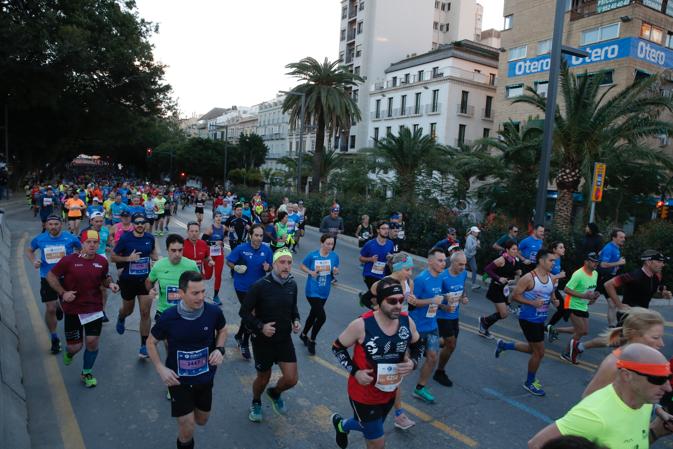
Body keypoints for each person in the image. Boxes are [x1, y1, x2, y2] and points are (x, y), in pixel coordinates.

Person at [330, 277, 423, 449]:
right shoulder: (361, 325)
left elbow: (418, 345)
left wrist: (413, 363)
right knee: (377, 442)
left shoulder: (406, 321)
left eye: (401, 300)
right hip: (363, 394)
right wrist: (356, 372)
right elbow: (337, 347)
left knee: (372, 426)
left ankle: (342, 425)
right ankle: (346, 426)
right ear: (379, 302)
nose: (398, 305)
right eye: (392, 301)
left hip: (390, 391)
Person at [527, 343, 673, 449]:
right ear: (627, 375)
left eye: (668, 378)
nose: (668, 387)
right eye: (658, 380)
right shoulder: (594, 415)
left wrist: (656, 432)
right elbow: (536, 445)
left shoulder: (644, 401)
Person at [147, 271, 227, 449]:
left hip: (205, 378)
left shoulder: (213, 311)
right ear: (181, 293)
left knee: (201, 420)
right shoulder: (169, 317)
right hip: (178, 380)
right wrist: (161, 368)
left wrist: (220, 349)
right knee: (187, 426)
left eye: (202, 292)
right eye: (195, 293)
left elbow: (222, 330)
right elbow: (151, 342)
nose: (200, 297)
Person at [46, 230, 119, 387]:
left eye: (95, 242)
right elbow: (50, 276)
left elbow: (104, 278)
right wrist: (63, 293)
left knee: (92, 342)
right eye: (88, 242)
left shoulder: (102, 261)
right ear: (82, 244)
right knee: (75, 346)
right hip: (73, 309)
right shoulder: (68, 261)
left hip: (94, 307)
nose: (92, 245)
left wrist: (110, 283)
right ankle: (69, 352)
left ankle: (86, 372)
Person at [239, 248, 300, 423]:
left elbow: (293, 307)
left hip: (283, 339)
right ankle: (256, 401)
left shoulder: (292, 284)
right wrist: (261, 326)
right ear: (274, 264)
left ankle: (274, 393)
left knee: (291, 379)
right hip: (262, 341)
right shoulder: (260, 286)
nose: (286, 266)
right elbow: (243, 312)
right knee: (263, 378)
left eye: (289, 263)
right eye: (282, 262)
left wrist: (296, 319)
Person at [495, 249, 557, 396]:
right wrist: (532, 302)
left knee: (532, 349)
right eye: (551, 260)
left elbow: (550, 293)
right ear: (541, 261)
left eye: (554, 261)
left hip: (540, 318)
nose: (553, 263)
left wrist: (555, 300)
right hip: (528, 319)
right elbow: (515, 296)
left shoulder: (551, 277)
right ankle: (529, 382)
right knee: (539, 352)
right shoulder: (529, 278)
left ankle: (503, 345)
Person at [26, 215, 81, 354]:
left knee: (70, 306)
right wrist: (34, 261)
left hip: (66, 278)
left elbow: (81, 250)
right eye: (50, 224)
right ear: (46, 226)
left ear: (61, 224)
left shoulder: (70, 237)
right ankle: (54, 337)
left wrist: (77, 261)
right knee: (50, 309)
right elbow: (29, 250)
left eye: (56, 224)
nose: (53, 227)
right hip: (47, 277)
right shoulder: (40, 239)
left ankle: (60, 307)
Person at [582, 308, 665, 398]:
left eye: (661, 337)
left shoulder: (647, 359)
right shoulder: (614, 364)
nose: (662, 344)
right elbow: (588, 398)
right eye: (655, 338)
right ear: (634, 334)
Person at [111, 212, 159, 358]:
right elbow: (113, 257)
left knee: (145, 313)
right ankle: (121, 316)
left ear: (145, 223)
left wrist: (156, 259)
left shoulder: (150, 238)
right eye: (136, 222)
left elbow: (153, 253)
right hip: (128, 281)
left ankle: (143, 345)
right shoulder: (125, 238)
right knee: (129, 310)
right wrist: (128, 258)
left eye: (142, 222)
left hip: (145, 280)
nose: (139, 225)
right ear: (132, 224)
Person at [226, 224, 272, 360]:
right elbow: (229, 261)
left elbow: (271, 267)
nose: (258, 238)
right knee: (252, 314)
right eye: (256, 235)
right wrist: (236, 267)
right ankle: (245, 342)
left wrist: (268, 267)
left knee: (248, 314)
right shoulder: (241, 248)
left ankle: (239, 335)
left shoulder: (266, 250)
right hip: (242, 287)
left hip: (259, 287)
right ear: (250, 235)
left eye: (261, 235)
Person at [408, 247, 448, 403]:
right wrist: (432, 301)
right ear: (430, 261)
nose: (443, 263)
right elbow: (413, 303)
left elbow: (437, 299)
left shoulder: (440, 277)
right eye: (440, 260)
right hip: (416, 327)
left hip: (431, 325)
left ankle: (419, 388)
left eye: (444, 260)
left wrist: (443, 305)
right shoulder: (421, 279)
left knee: (432, 357)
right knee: (407, 361)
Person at [554, 252, 600, 364]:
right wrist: (584, 296)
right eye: (593, 261)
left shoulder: (595, 274)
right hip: (572, 304)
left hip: (583, 305)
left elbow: (589, 290)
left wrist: (593, 298)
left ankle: (555, 330)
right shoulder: (578, 274)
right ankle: (566, 353)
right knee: (581, 330)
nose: (595, 264)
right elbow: (566, 289)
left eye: (597, 262)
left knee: (584, 331)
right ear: (586, 262)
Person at [606, 250, 672, 325]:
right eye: (659, 262)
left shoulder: (657, 276)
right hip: (628, 318)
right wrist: (619, 305)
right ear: (648, 262)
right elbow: (608, 284)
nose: (662, 265)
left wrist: (663, 292)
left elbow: (649, 287)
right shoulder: (634, 276)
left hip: (642, 317)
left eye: (663, 262)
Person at [299, 234, 340, 355]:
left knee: (313, 314)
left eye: (332, 244)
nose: (330, 246)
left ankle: (304, 334)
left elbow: (335, 270)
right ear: (322, 243)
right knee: (321, 317)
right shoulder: (313, 255)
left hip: (324, 290)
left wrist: (336, 272)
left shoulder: (334, 256)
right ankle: (312, 340)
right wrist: (310, 272)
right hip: (312, 290)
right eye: (327, 243)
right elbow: (302, 265)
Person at [146, 234, 199, 325]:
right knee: (167, 339)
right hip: (164, 311)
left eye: (180, 250)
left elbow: (199, 286)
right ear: (167, 250)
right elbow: (148, 281)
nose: (177, 254)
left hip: (186, 311)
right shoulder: (159, 265)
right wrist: (150, 290)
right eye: (173, 250)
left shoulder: (191, 265)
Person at [434, 251, 468, 388]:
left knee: (448, 344)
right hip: (442, 316)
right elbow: (433, 298)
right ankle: (439, 372)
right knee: (451, 344)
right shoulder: (442, 277)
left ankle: (427, 344)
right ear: (453, 263)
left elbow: (463, 288)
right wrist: (443, 305)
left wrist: (463, 296)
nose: (463, 267)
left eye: (465, 264)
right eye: (460, 264)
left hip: (455, 315)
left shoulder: (463, 274)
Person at [479, 240, 521, 339]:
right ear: (507, 250)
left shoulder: (514, 260)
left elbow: (514, 273)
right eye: (513, 249)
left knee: (502, 314)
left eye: (516, 249)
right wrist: (498, 278)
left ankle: (483, 326)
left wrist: (515, 278)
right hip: (496, 288)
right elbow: (487, 269)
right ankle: (483, 322)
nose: (515, 251)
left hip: (504, 289)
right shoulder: (502, 260)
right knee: (504, 313)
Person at [597, 229, 626, 327]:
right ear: (614, 238)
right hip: (604, 278)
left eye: (624, 237)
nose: (623, 239)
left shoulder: (616, 247)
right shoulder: (609, 248)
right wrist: (619, 263)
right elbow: (603, 264)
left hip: (609, 278)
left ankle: (612, 327)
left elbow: (602, 255)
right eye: (621, 237)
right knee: (590, 299)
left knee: (612, 303)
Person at [359, 222, 395, 289]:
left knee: (377, 296)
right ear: (378, 230)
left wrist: (390, 258)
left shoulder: (390, 244)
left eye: (387, 229)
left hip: (382, 275)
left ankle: (364, 297)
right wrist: (370, 259)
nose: (386, 231)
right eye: (383, 229)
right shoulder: (370, 244)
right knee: (375, 294)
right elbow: (361, 258)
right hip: (369, 274)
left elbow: (391, 260)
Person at [202, 212, 226, 304]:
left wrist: (222, 243)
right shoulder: (210, 229)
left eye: (220, 216)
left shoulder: (223, 228)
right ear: (214, 218)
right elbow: (203, 241)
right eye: (217, 216)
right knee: (208, 276)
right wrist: (214, 243)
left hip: (219, 254)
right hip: (210, 254)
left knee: (218, 275)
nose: (219, 218)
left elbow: (222, 240)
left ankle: (216, 296)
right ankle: (195, 279)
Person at [464, 226, 481, 290]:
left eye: (478, 232)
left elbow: (476, 248)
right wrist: (476, 244)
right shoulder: (469, 238)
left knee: (475, 269)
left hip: (472, 256)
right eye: (476, 232)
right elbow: (469, 249)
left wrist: (478, 246)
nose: (477, 233)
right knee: (461, 269)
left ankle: (473, 284)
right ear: (473, 232)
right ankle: (456, 281)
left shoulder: (475, 238)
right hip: (466, 256)